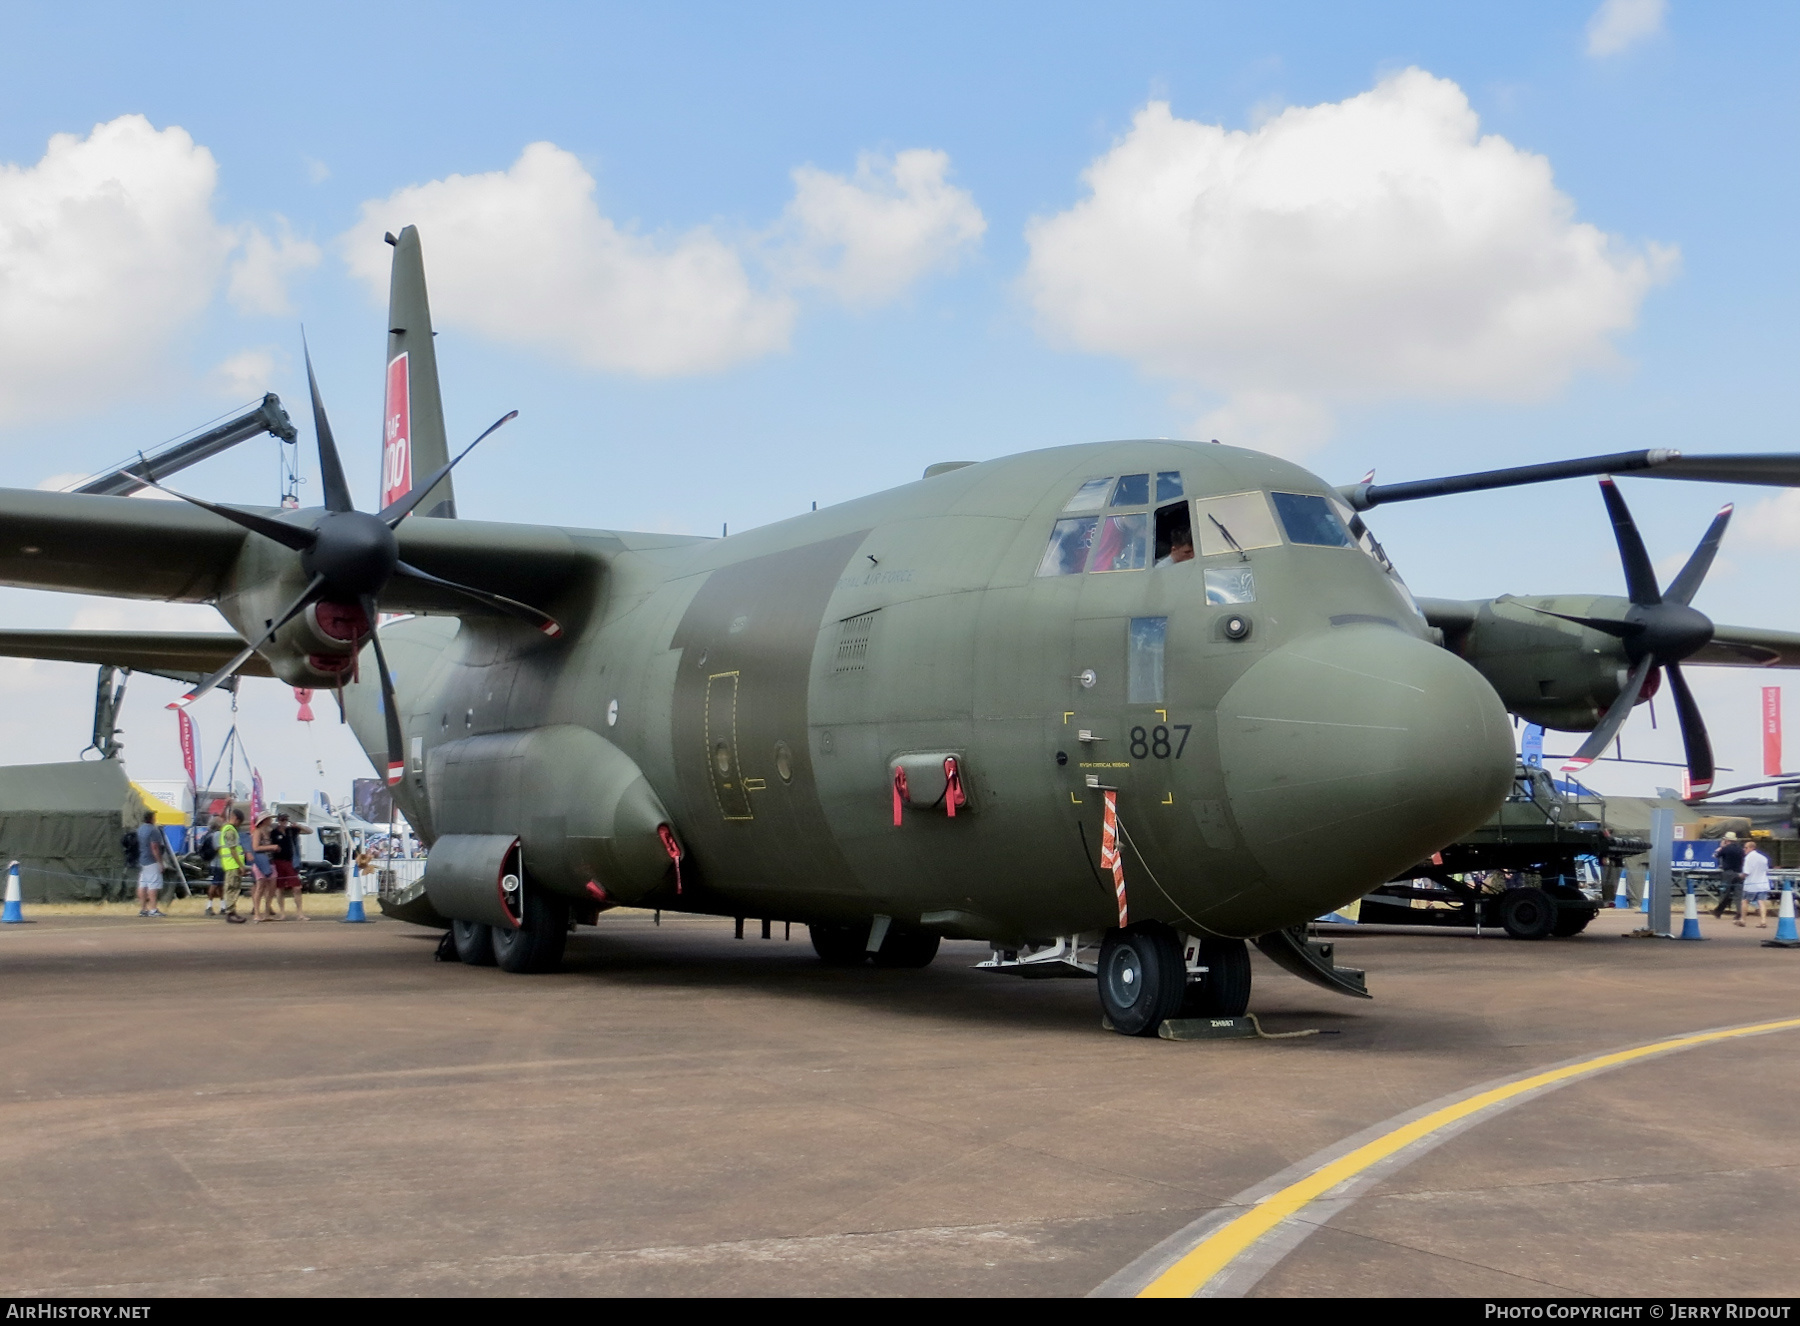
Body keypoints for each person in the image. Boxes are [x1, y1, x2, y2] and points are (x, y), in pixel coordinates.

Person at [270, 813, 314, 920]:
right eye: (281, 820)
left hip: (290, 861)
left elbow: (309, 831)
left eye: (285, 820)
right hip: (278, 861)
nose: (283, 822)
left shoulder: (291, 831)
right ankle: (282, 913)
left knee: (297, 887)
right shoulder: (274, 832)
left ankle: (299, 913)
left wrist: (298, 825)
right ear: (278, 821)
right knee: (280, 888)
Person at [219, 807, 249, 923]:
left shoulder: (226, 828)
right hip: (232, 864)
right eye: (239, 822)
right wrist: (241, 865)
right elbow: (233, 850)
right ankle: (230, 912)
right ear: (236, 819)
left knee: (233, 888)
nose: (239, 825)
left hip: (231, 864)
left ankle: (232, 911)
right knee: (232, 889)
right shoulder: (230, 830)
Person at [134, 811, 166, 917]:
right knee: (153, 884)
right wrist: (160, 862)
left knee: (142, 884)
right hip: (151, 860)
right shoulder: (153, 830)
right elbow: (154, 847)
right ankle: (153, 909)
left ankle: (143, 909)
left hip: (142, 859)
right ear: (152, 818)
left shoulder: (140, 829)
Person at [249, 812, 277, 922]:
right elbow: (255, 847)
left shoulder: (269, 832)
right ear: (264, 820)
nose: (271, 821)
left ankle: (267, 912)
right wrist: (271, 847)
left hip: (270, 861)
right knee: (260, 887)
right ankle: (257, 913)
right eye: (269, 819)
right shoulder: (257, 832)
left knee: (271, 888)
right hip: (261, 862)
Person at [1712, 833, 1745, 919]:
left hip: (1728, 873)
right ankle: (1739, 912)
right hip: (1738, 872)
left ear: (1727, 840)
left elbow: (1715, 855)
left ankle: (1718, 912)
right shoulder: (1741, 849)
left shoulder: (1725, 849)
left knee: (1725, 893)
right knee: (1738, 894)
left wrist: (1721, 847)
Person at [1740, 842, 1772, 928]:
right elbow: (1766, 870)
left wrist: (1740, 876)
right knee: (1761, 902)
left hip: (1751, 884)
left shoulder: (1748, 858)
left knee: (1744, 901)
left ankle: (1743, 920)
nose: (1744, 849)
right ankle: (1763, 921)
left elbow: (1746, 872)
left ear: (1751, 848)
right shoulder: (1763, 858)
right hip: (1762, 883)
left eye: (1745, 848)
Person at [200, 813, 224, 916]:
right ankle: (209, 906)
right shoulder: (218, 834)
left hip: (214, 863)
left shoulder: (209, 834)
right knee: (215, 884)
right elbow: (218, 847)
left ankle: (223, 906)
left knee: (219, 885)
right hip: (218, 863)